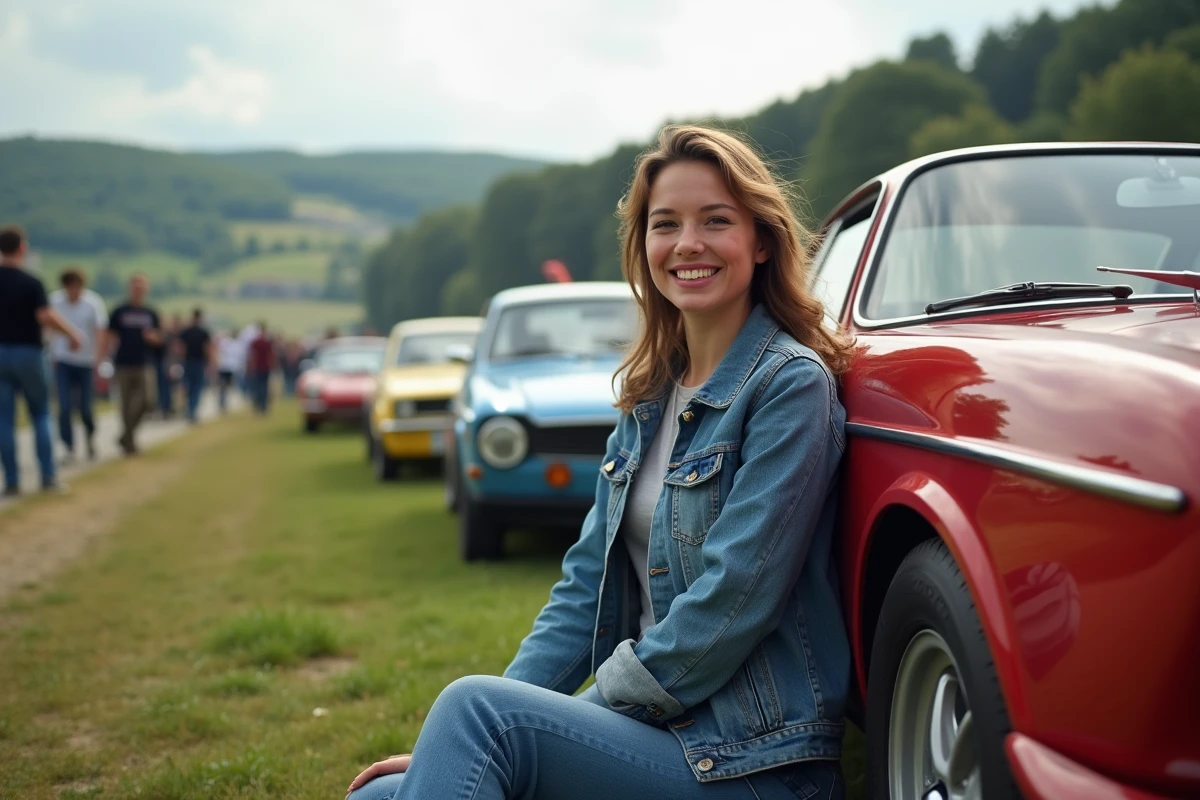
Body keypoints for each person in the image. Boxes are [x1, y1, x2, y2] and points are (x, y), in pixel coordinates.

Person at [345, 125, 857, 800]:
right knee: (381, 791)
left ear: (760, 240)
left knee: (476, 713)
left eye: (716, 221)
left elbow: (730, 604)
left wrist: (528, 724)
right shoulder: (650, 398)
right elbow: (585, 590)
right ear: (643, 247)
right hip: (657, 741)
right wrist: (471, 744)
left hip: (750, 761)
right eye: (665, 224)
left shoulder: (789, 385)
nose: (688, 244)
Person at [0, 224, 82, 495]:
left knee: (4, 420)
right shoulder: (31, 282)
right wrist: (72, 333)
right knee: (41, 413)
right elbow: (45, 317)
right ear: (22, 248)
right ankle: (47, 477)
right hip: (29, 353)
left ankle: (12, 481)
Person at [49, 267, 108, 462]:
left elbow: (100, 332)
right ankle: (69, 446)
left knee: (85, 406)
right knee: (64, 406)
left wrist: (99, 359)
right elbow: (48, 327)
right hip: (63, 359)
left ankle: (90, 437)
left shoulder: (93, 303)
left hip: (86, 361)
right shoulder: (55, 301)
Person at [99, 274, 162, 455]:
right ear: (130, 288)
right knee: (125, 404)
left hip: (144, 362)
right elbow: (109, 336)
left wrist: (153, 338)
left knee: (148, 401)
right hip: (123, 362)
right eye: (136, 286)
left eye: (141, 287)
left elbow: (160, 338)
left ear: (146, 289)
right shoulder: (120, 311)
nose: (138, 290)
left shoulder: (151, 312)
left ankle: (126, 435)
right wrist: (103, 359)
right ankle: (129, 443)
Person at [176, 308, 212, 424]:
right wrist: (209, 361)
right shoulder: (203, 332)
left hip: (188, 361)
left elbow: (180, 347)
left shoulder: (186, 331)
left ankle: (189, 409)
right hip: (198, 361)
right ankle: (192, 410)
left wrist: (182, 358)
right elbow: (207, 348)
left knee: (188, 386)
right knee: (197, 387)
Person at [247, 322, 275, 415]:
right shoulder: (265, 342)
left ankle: (260, 405)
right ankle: (262, 405)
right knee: (263, 387)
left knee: (260, 387)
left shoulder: (257, 342)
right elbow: (270, 356)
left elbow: (253, 356)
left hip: (261, 367)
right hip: (262, 367)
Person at [215, 329, 241, 414]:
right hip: (228, 367)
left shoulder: (228, 342)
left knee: (224, 387)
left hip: (225, 367)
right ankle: (223, 403)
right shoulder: (234, 344)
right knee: (226, 387)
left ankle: (223, 403)